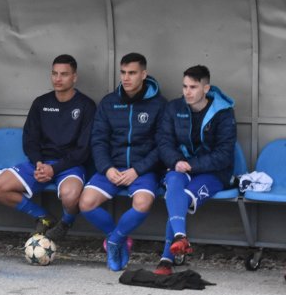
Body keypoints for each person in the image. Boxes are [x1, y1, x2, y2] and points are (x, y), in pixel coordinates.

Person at [0, 55, 97, 241]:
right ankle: (43, 217)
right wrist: (38, 163)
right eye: (54, 74)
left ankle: (65, 223)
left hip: (69, 165)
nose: (58, 79)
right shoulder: (41, 103)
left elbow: (83, 150)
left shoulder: (86, 106)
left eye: (64, 74)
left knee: (71, 196)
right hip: (40, 164)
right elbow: (30, 139)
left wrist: (54, 168)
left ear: (74, 77)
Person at [78, 53, 167, 271]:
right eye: (123, 72)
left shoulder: (159, 105)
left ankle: (116, 241)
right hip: (112, 167)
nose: (126, 78)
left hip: (142, 170)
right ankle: (114, 236)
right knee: (85, 203)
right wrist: (107, 168)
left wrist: (138, 170)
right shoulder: (109, 102)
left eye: (132, 73)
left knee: (143, 203)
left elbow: (163, 145)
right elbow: (98, 140)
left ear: (143, 74)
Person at [154, 65, 236, 276]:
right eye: (184, 86)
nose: (187, 92)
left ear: (206, 88)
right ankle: (180, 237)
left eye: (193, 87)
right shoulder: (174, 108)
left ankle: (166, 259)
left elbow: (224, 154)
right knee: (173, 181)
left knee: (183, 197)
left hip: (215, 172)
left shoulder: (223, 113)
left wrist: (192, 165)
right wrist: (176, 161)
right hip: (182, 166)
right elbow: (163, 142)